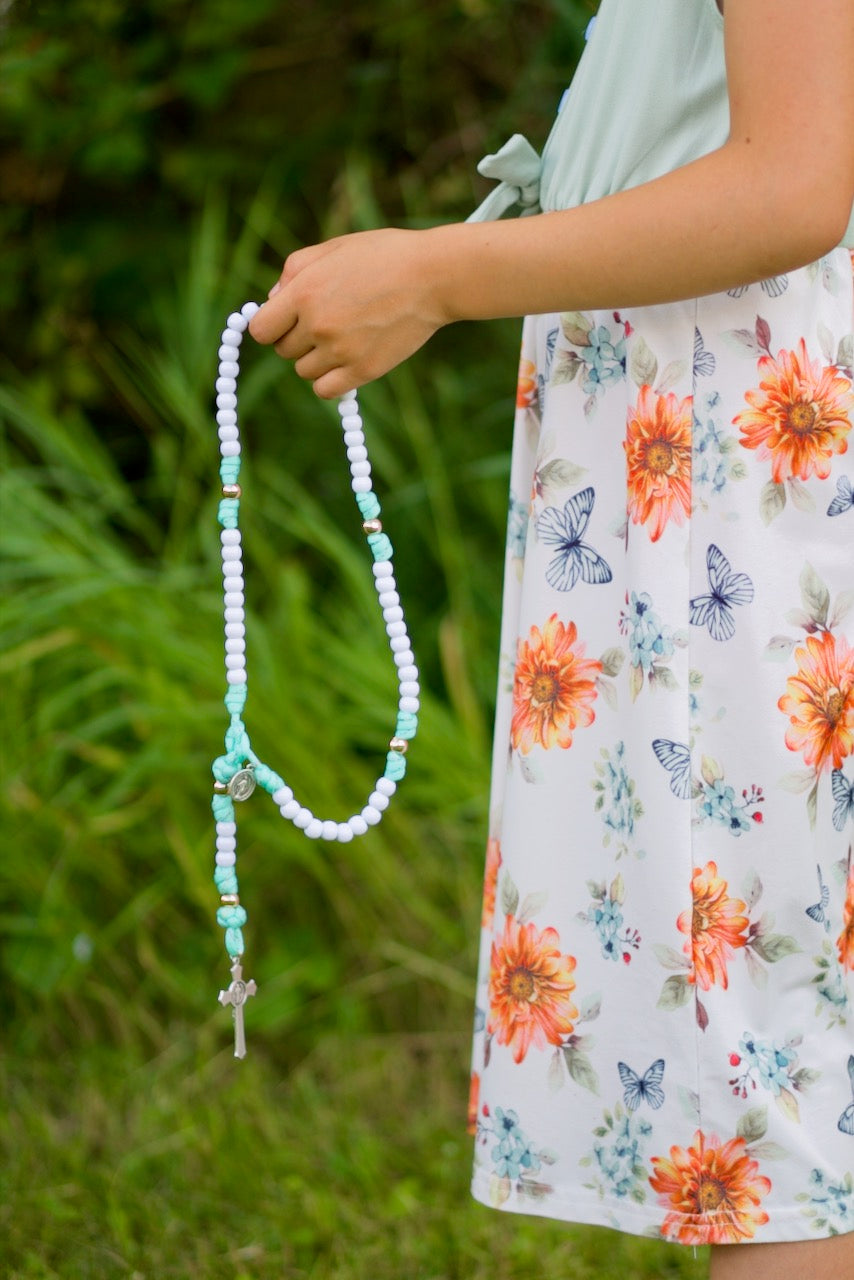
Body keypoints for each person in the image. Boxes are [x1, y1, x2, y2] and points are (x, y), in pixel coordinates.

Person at [249, 1, 854, 1276]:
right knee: (772, 1038)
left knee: (767, 1079)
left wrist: (430, 274)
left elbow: (796, 181)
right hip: (690, 428)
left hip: (729, 441)